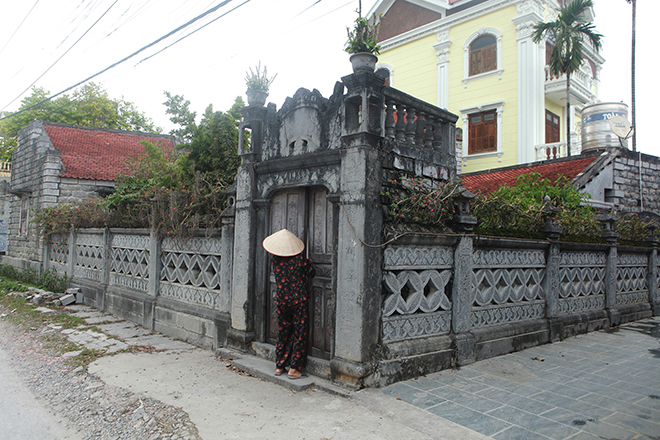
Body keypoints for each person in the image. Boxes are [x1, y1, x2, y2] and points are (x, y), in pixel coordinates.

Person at [262, 229, 315, 379]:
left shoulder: (275, 260)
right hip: (299, 300)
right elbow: (311, 273)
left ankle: (279, 365)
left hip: (282, 300)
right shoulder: (300, 259)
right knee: (299, 333)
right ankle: (294, 368)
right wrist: (308, 262)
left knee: (283, 331)